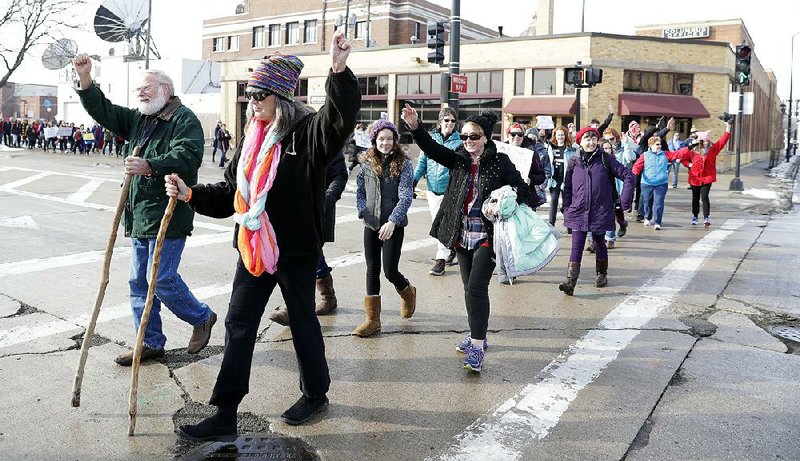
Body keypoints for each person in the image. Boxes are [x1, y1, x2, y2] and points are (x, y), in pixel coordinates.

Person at [168, 31, 359, 441]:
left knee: (304, 323)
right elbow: (230, 195)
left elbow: (339, 120)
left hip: (294, 250)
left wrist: (339, 72)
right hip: (253, 248)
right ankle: (225, 412)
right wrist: (190, 194)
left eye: (259, 95)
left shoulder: (308, 133)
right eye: (249, 95)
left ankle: (315, 393)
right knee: (238, 323)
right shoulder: (250, 141)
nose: (252, 102)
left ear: (281, 96)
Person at [72, 54, 218, 366]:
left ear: (166, 89)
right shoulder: (140, 120)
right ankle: (149, 342)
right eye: (139, 89)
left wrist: (150, 165)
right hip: (138, 215)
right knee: (139, 285)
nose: (141, 93)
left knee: (161, 280)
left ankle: (202, 316)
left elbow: (188, 156)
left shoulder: (184, 119)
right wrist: (86, 79)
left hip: (169, 214)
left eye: (147, 88)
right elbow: (104, 111)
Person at [401, 105, 534, 373]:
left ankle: (476, 344)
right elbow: (432, 149)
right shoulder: (458, 158)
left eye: (473, 136)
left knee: (476, 288)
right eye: (464, 137)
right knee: (466, 288)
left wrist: (506, 197)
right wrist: (416, 127)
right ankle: (477, 334)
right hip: (461, 234)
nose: (468, 142)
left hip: (487, 234)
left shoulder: (501, 161)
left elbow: (524, 191)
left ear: (485, 137)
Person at [269, 147, 349, 325]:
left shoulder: (326, 137)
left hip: (316, 212)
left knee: (308, 257)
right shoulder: (289, 137)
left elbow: (339, 175)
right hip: (290, 211)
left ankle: (295, 308)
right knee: (308, 256)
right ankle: (327, 297)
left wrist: (325, 200)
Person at [352, 119, 416, 337]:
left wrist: (393, 221)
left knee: (389, 271)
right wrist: (362, 210)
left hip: (393, 226)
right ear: (374, 140)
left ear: (395, 140)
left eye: (389, 139)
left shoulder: (404, 163)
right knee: (372, 269)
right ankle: (373, 321)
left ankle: (407, 292)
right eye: (381, 139)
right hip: (371, 223)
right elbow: (360, 191)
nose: (385, 143)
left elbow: (406, 195)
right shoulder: (366, 162)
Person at [559, 127, 634, 296]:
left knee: (599, 242)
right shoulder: (573, 161)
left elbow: (629, 176)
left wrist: (625, 201)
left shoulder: (606, 159)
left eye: (594, 139)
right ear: (580, 141)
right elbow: (568, 188)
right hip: (579, 211)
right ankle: (570, 283)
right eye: (587, 138)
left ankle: (601, 274)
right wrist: (567, 208)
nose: (591, 142)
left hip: (600, 210)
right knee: (576, 246)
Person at [413, 107, 461, 276]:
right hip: (432, 190)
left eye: (452, 121)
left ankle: (440, 259)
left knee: (443, 224)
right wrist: (413, 181)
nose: (449, 123)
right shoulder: (430, 140)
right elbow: (421, 163)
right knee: (439, 222)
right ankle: (452, 248)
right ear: (440, 122)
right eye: (446, 120)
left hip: (451, 191)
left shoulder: (459, 142)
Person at [631, 134, 689, 230]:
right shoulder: (644, 155)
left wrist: (689, 147)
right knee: (647, 202)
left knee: (659, 202)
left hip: (661, 183)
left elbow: (678, 154)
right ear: (651, 145)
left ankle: (657, 222)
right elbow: (637, 166)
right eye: (657, 144)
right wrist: (634, 174)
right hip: (647, 183)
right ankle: (647, 217)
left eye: (660, 144)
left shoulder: (665, 154)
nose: (659, 146)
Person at [681, 119, 732, 227]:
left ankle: (706, 217)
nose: (706, 142)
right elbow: (683, 159)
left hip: (707, 177)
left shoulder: (713, 149)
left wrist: (728, 127)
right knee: (695, 197)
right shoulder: (693, 151)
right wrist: (689, 165)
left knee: (704, 197)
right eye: (704, 141)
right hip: (695, 178)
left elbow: (723, 141)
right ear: (699, 142)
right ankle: (695, 216)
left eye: (707, 141)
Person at [546, 125, 576, 228]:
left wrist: (572, 132)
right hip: (554, 179)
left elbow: (578, 147)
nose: (560, 137)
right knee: (553, 201)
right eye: (558, 135)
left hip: (567, 179)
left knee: (567, 203)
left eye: (562, 135)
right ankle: (551, 224)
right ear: (555, 135)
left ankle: (569, 224)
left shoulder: (570, 147)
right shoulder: (550, 147)